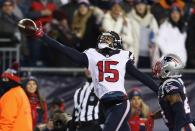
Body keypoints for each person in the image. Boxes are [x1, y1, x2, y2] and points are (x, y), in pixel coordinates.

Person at [20, 19, 159, 131]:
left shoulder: (97, 55)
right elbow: (141, 76)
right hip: (105, 106)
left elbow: (65, 50)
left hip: (119, 103)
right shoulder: (106, 55)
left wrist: (44, 36)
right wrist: (43, 36)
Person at [152, 53, 195, 130]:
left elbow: (179, 112)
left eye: (161, 66)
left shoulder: (170, 84)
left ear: (168, 69)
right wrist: (153, 116)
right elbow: (170, 108)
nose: (158, 68)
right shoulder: (172, 81)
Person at [0, 63, 33, 131]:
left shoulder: (11, 95)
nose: (3, 81)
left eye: (5, 79)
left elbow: (6, 122)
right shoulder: (20, 92)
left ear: (11, 80)